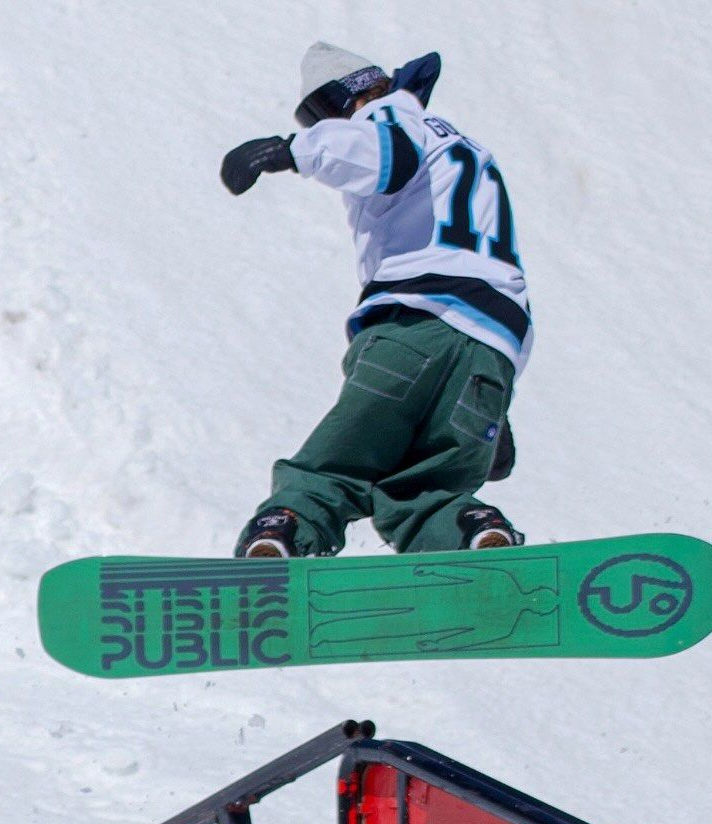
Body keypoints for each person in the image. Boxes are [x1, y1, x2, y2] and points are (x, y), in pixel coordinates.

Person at [219, 45, 530, 559]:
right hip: (492, 345)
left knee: (335, 467)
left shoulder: (390, 115)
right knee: (426, 491)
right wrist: (496, 409)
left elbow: (383, 153)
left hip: (411, 327)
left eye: (322, 117)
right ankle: (470, 534)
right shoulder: (463, 149)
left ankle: (284, 535)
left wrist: (286, 150)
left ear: (348, 99)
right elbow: (478, 283)